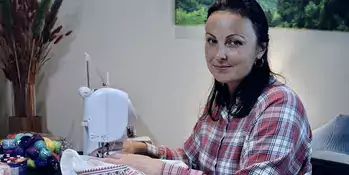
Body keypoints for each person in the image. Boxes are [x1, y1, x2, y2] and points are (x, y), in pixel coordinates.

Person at [91, 0, 312, 174]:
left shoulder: (280, 105)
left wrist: (157, 169)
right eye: (212, 40)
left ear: (261, 49)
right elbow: (190, 158)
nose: (219, 55)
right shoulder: (221, 101)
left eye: (234, 42)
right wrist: (142, 149)